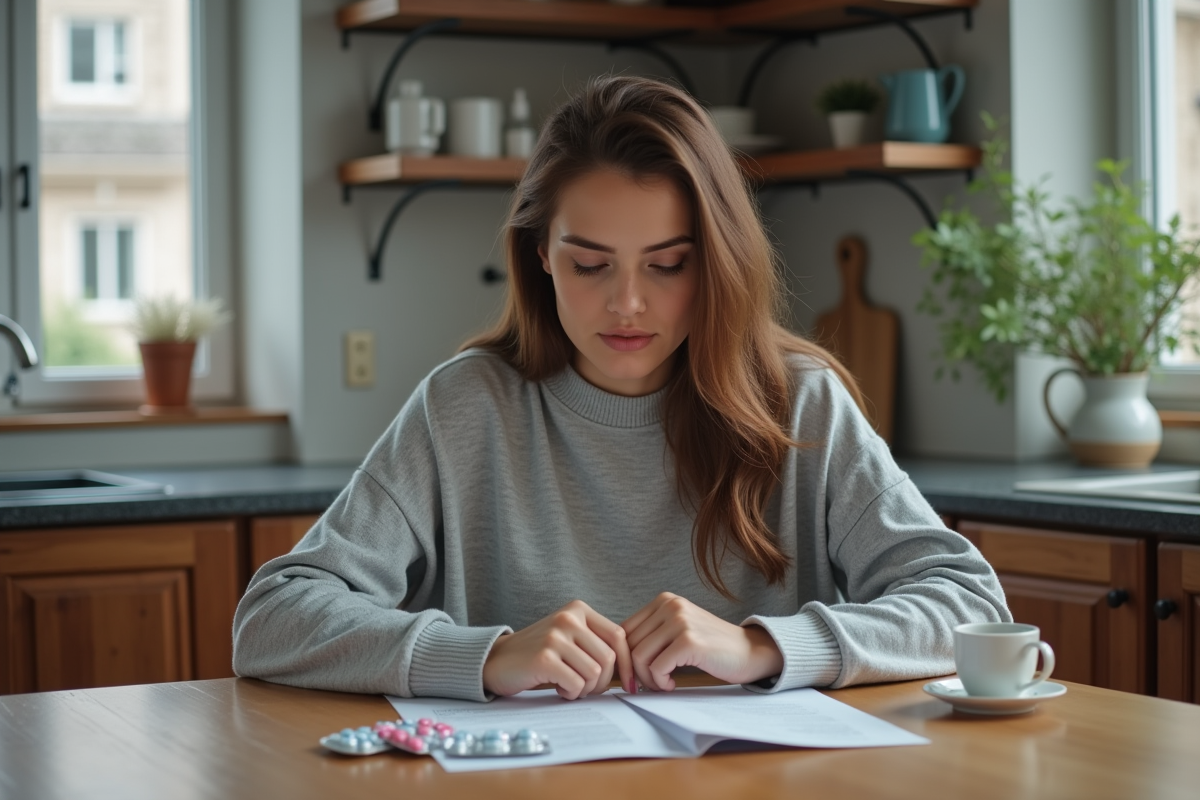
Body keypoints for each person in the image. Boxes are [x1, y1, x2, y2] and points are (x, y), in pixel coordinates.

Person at [232, 75, 1009, 703]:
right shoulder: (463, 406)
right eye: (591, 264)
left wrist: (761, 646)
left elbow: (970, 603)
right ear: (541, 254)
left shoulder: (799, 402)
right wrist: (484, 657)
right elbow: (272, 619)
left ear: (714, 261)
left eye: (667, 264)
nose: (628, 302)